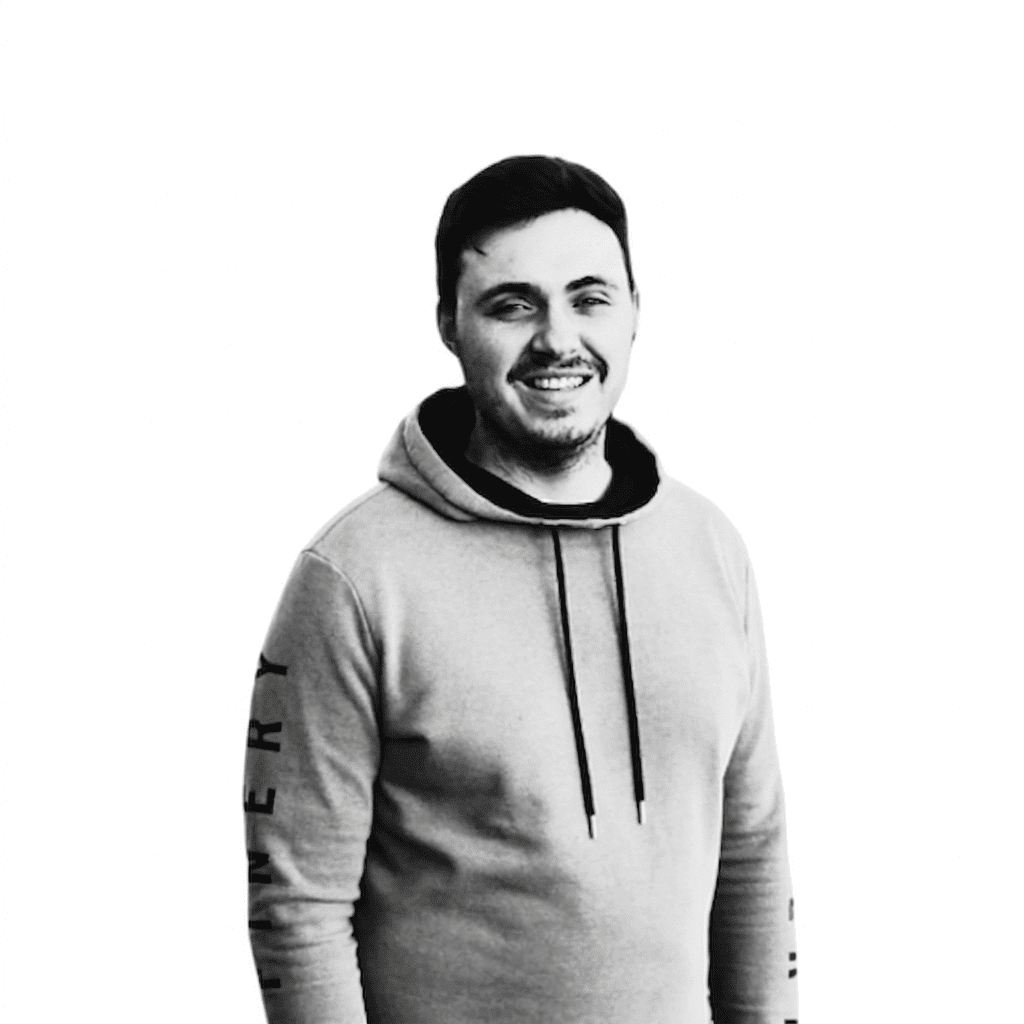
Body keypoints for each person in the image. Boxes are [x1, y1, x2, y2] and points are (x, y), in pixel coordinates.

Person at [244, 155, 798, 1024]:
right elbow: (298, 908)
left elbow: (753, 847)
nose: (557, 339)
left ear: (636, 310)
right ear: (449, 323)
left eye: (590, 298)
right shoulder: (352, 578)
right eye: (512, 305)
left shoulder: (709, 549)